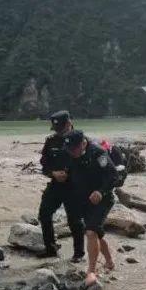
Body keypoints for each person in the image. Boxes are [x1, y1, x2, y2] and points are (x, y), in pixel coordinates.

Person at [64, 130, 116, 287]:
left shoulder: (98, 153)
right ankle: (109, 262)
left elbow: (113, 175)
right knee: (97, 234)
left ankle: (91, 272)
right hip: (84, 200)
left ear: (83, 144)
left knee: (91, 232)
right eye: (69, 150)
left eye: (74, 149)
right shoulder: (69, 153)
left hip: (102, 199)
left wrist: (101, 191)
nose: (72, 152)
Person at [37, 110, 85, 261]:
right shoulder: (51, 141)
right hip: (56, 184)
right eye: (56, 129)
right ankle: (50, 249)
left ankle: (79, 253)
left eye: (61, 129)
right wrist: (53, 173)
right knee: (44, 213)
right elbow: (44, 164)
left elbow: (87, 166)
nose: (59, 133)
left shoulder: (81, 140)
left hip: (75, 186)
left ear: (69, 124)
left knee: (75, 220)